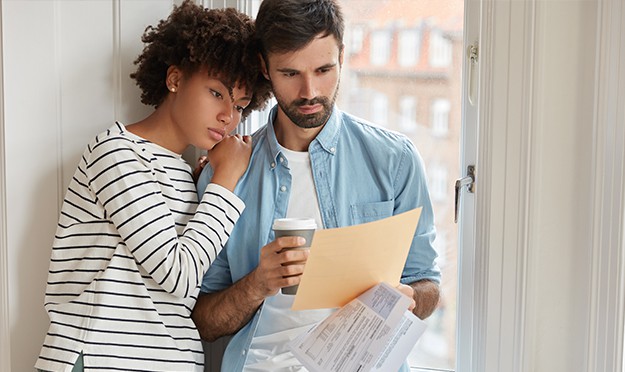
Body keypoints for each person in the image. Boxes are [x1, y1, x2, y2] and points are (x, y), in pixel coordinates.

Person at [192, 0, 441, 370]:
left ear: (343, 55)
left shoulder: (395, 160)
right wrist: (258, 283)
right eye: (290, 73)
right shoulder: (226, 172)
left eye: (324, 69)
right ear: (265, 67)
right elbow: (205, 322)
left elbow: (429, 286)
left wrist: (405, 298)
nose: (310, 91)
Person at [34, 1, 271, 371]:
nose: (229, 116)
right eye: (216, 93)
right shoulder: (116, 154)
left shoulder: (186, 174)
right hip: (98, 359)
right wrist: (225, 181)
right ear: (174, 79)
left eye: (240, 104)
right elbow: (178, 276)